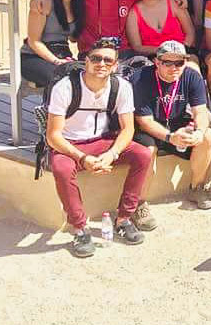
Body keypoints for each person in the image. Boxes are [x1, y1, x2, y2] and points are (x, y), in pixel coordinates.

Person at [45, 38, 150, 257]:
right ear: (86, 60)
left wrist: (112, 154)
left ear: (116, 65)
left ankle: (124, 218)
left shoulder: (121, 86)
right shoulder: (65, 87)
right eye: (96, 58)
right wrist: (82, 158)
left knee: (142, 154)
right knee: (62, 169)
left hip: (103, 141)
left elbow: (127, 129)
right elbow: (53, 136)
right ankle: (80, 229)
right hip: (69, 145)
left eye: (108, 60)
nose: (101, 64)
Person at [132, 41, 211, 210]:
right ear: (157, 62)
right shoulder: (141, 78)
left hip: (177, 122)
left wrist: (199, 132)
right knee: (147, 151)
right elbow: (144, 121)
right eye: (167, 63)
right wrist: (170, 137)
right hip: (150, 127)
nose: (174, 67)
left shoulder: (192, 76)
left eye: (179, 63)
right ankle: (139, 204)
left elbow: (201, 112)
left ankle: (197, 188)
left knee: (207, 136)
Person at [22, 0, 84, 86]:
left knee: (83, 79)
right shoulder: (45, 3)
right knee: (61, 81)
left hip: (62, 54)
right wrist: (56, 61)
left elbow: (72, 38)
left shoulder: (76, 7)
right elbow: (34, 41)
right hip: (34, 56)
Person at [125, 0, 196, 60]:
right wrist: (164, 51)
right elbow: (137, 47)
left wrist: (181, 49)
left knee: (193, 67)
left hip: (183, 53)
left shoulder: (174, 3)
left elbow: (190, 33)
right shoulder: (134, 13)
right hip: (153, 57)